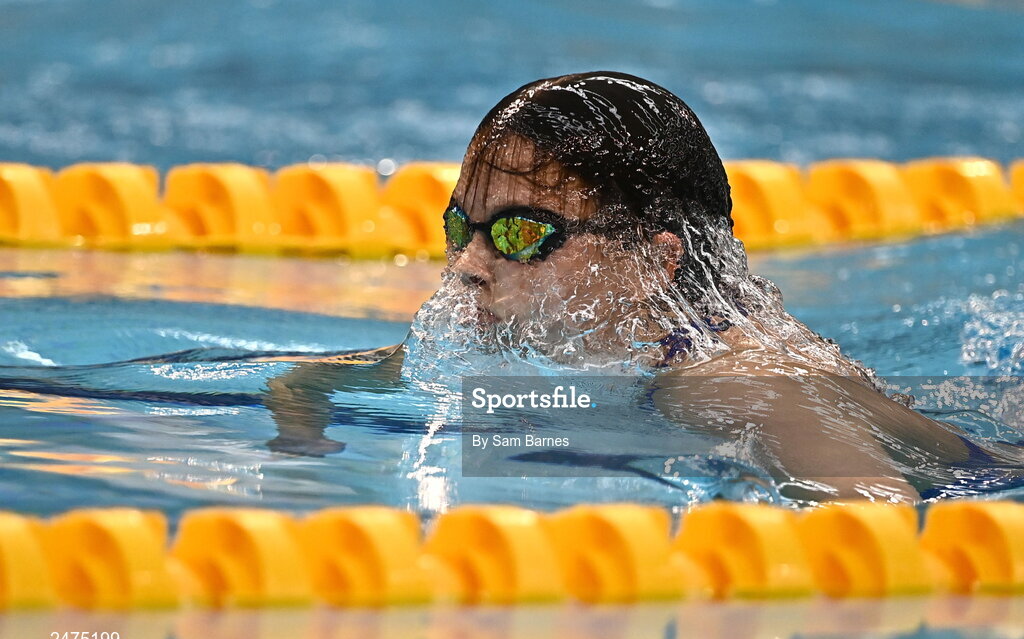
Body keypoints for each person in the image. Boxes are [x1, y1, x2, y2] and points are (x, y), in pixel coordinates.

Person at [266, 71, 1009, 502]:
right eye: (461, 228)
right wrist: (305, 461)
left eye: (523, 233)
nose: (468, 264)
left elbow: (875, 524)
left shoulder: (734, 384)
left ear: (653, 265)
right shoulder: (507, 346)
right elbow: (306, 383)